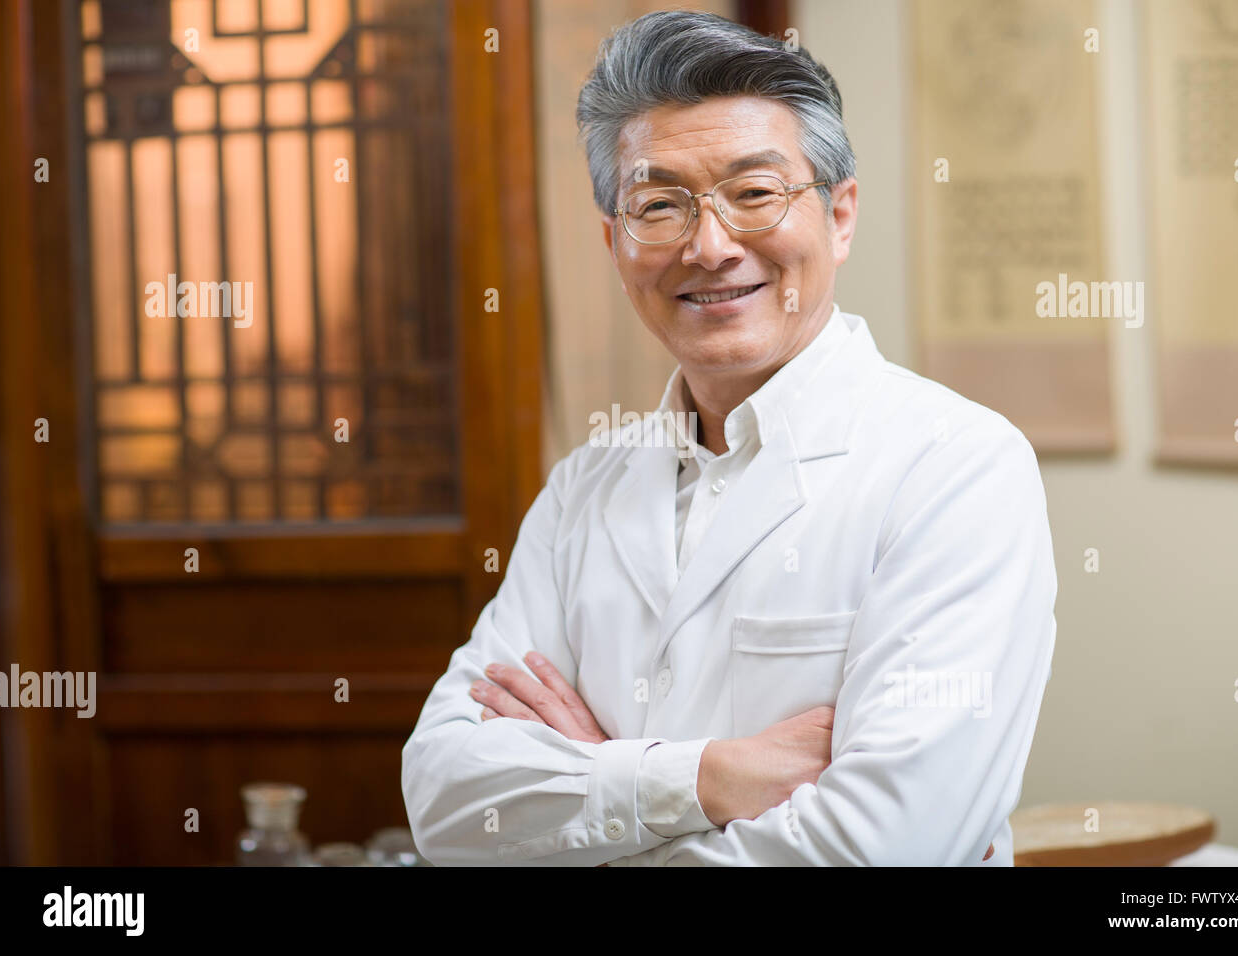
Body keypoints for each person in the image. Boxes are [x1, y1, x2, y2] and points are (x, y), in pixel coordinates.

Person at [402, 10, 1056, 866]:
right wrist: (707, 777)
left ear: (841, 215)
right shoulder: (583, 488)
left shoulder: (957, 468)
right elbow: (449, 805)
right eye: (659, 206)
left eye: (754, 194)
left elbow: (886, 846)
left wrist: (595, 787)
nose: (709, 248)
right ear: (614, 242)